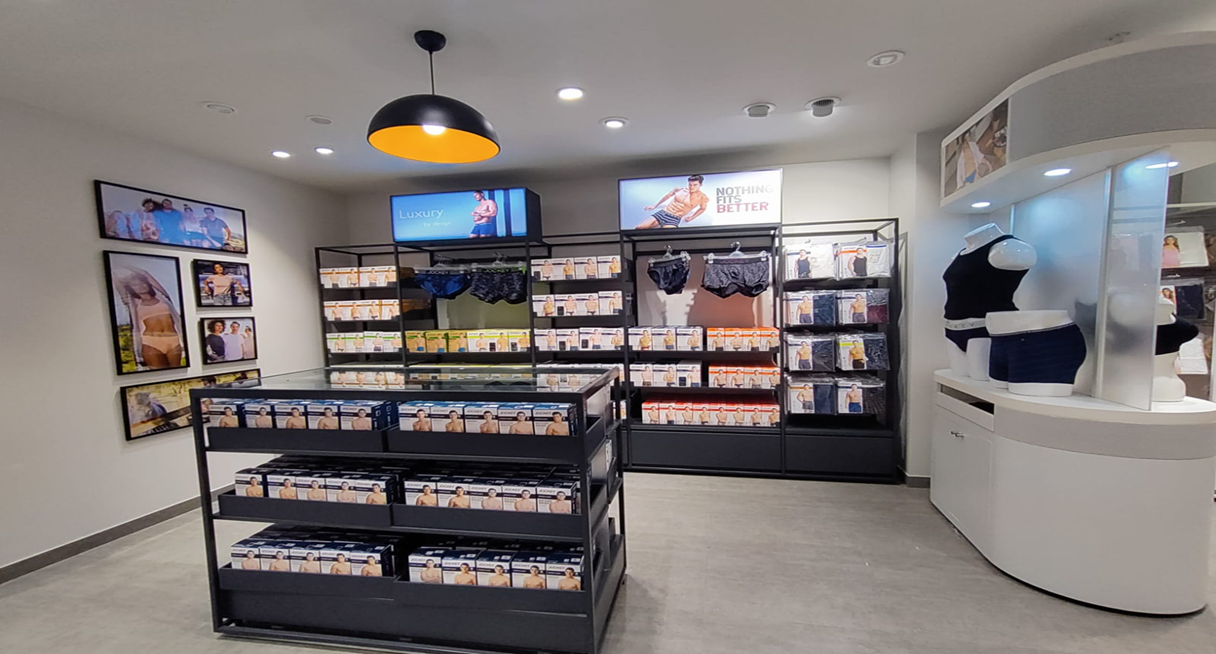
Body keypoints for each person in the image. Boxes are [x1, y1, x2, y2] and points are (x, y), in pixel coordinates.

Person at [116, 269, 185, 370]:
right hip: (151, 342)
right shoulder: (133, 303)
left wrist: (126, 265)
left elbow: (145, 273)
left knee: (176, 372)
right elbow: (116, 281)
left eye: (142, 283)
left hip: (173, 340)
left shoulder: (162, 297)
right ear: (131, 289)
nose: (141, 286)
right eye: (135, 285)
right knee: (159, 374)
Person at [636, 174, 710, 228]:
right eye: (690, 184)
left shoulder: (702, 197)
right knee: (640, 227)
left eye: (695, 185)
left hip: (674, 218)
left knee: (667, 236)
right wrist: (654, 206)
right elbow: (667, 196)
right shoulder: (679, 189)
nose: (692, 187)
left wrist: (692, 217)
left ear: (701, 185)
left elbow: (702, 209)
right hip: (663, 212)